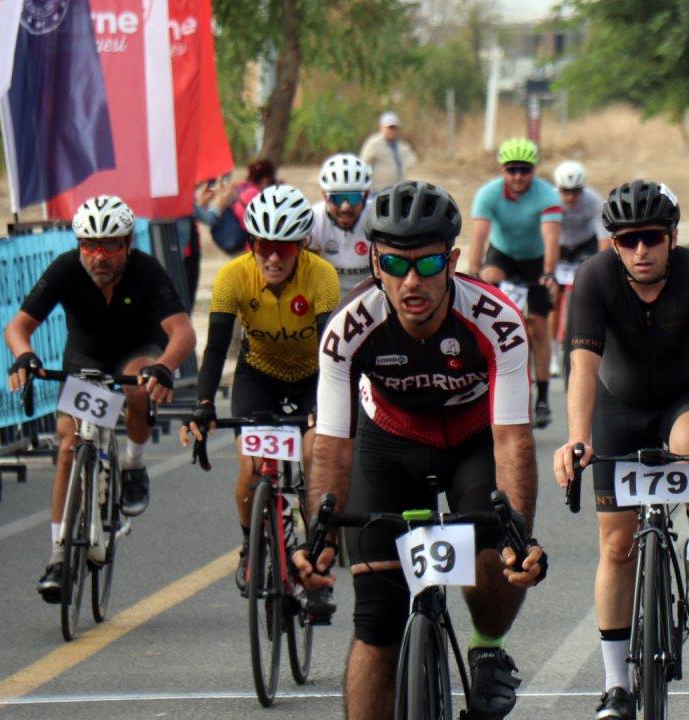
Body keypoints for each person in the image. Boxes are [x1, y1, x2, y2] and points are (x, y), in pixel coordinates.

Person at [292, 181, 547, 720]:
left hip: (473, 439)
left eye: (428, 265)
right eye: (395, 264)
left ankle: (488, 648)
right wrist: (320, 532)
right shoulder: (348, 329)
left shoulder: (497, 320)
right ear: (374, 262)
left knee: (494, 559)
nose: (413, 281)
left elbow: (512, 439)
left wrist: (518, 531)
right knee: (377, 622)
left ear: (452, 261)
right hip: (391, 441)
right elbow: (333, 445)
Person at [552, 179, 689, 720]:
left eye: (653, 238)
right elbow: (582, 370)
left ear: (673, 237)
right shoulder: (593, 279)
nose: (642, 250)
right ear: (613, 243)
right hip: (618, 407)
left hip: (682, 399)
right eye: (629, 239)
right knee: (617, 547)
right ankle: (616, 685)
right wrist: (578, 440)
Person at [5, 195, 195, 602]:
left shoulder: (146, 271)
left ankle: (133, 465)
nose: (99, 255)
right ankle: (58, 555)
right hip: (86, 356)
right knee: (69, 444)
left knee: (135, 384)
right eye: (90, 245)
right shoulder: (66, 269)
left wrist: (164, 366)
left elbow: (183, 332)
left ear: (127, 244)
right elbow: (19, 326)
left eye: (110, 245)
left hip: (138, 352)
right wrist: (24, 353)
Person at [179, 184, 339, 595]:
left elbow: (330, 351)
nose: (271, 257)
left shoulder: (322, 276)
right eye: (262, 245)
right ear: (250, 241)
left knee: (313, 455)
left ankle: (316, 551)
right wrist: (202, 404)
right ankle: (251, 547)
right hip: (259, 375)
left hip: (312, 376)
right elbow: (215, 349)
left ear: (302, 244)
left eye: (283, 248)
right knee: (251, 470)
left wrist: (326, 407)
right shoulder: (233, 276)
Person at [467, 137, 562, 428]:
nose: (518, 176)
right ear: (501, 170)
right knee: (488, 279)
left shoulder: (547, 195)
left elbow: (551, 239)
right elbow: (479, 237)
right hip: (503, 255)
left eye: (524, 170)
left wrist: (548, 273)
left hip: (535, 261)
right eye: (512, 170)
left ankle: (543, 397)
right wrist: (473, 273)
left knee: (538, 327)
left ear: (533, 170)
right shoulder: (488, 193)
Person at [550, 159, 611, 376]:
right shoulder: (548, 200)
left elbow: (605, 240)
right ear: (558, 188)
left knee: (585, 289)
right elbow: (543, 236)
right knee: (553, 297)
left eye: (576, 192)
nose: (570, 198)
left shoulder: (594, 201)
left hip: (585, 245)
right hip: (557, 246)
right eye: (565, 192)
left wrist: (602, 267)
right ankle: (553, 351)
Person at [309, 153, 375, 304]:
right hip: (328, 299)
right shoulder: (314, 220)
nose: (345, 207)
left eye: (353, 198)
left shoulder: (377, 218)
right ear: (325, 196)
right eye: (337, 198)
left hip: (370, 298)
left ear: (366, 195)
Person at [359, 111, 418, 191]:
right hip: (378, 191)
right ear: (381, 127)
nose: (392, 130)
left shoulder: (401, 146)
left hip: (397, 190)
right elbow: (363, 164)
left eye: (394, 128)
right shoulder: (374, 143)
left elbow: (411, 161)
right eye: (390, 127)